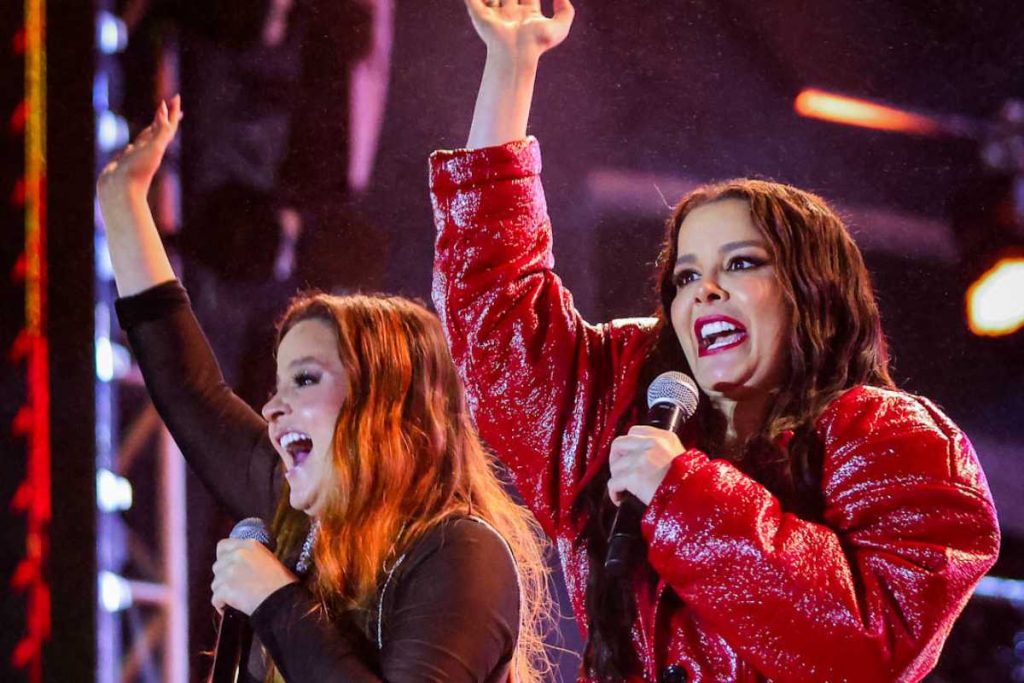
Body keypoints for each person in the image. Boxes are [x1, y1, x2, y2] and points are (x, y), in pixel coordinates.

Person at [429, 1, 1001, 681]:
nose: (703, 290)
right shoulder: (627, 400)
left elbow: (870, 642)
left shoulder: (897, 441)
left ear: (813, 289)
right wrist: (511, 65)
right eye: (685, 274)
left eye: (739, 263)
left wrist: (681, 493)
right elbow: (496, 313)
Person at [97, 97, 552, 682]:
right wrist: (123, 202)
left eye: (305, 379)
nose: (271, 405)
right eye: (278, 381)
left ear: (384, 401)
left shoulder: (458, 554)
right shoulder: (300, 526)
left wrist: (277, 602)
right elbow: (192, 392)